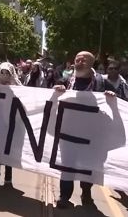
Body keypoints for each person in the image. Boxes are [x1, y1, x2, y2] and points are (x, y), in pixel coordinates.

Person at [53, 51, 116, 209]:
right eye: (77, 59)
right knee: (67, 164)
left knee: (88, 165)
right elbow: (53, 95)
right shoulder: (67, 80)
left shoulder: (102, 82)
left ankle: (86, 193)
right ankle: (64, 196)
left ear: (91, 64)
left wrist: (111, 97)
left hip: (91, 134)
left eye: (84, 60)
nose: (79, 62)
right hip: (69, 132)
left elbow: (116, 103)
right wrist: (57, 89)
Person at [0, 62, 21, 187]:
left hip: (11, 121)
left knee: (8, 149)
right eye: (1, 72)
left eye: (6, 72)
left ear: (11, 73)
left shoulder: (17, 87)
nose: (3, 75)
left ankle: (8, 177)